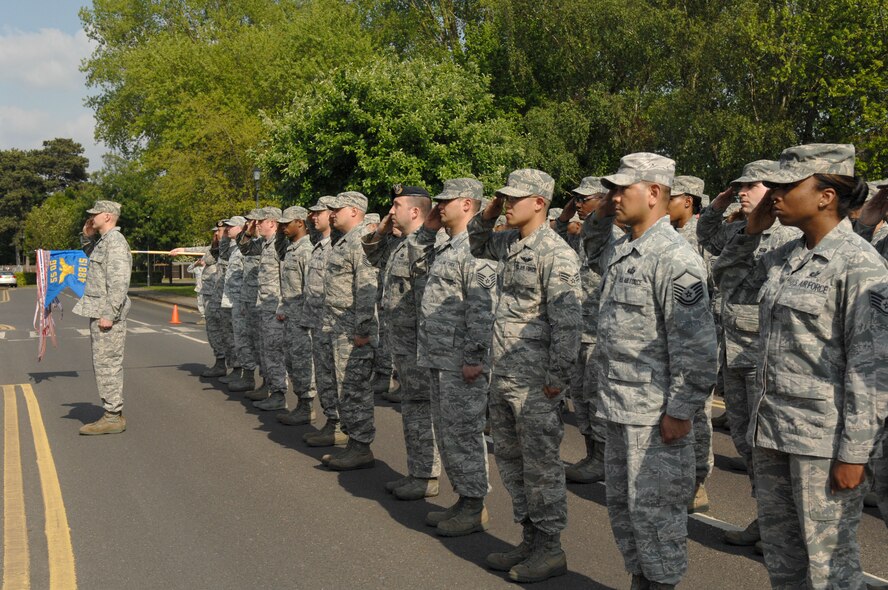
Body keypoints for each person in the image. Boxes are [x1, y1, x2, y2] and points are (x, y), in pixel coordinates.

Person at [714, 144, 887, 589]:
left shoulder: (860, 265)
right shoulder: (785, 256)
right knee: (783, 557)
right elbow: (730, 283)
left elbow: (872, 371)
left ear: (827, 195)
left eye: (788, 186)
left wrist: (854, 454)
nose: (775, 195)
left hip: (822, 443)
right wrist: (751, 230)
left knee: (831, 568)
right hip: (771, 432)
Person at [583, 153, 716, 589]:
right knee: (626, 516)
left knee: (657, 523)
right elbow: (591, 243)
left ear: (655, 193)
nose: (613, 197)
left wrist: (681, 411)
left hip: (655, 418)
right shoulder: (624, 249)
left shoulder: (675, 258)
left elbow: (697, 348)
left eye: (623, 189)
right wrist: (606, 208)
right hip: (620, 409)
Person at [468, 168, 581, 583]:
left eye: (515, 198)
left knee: (541, 466)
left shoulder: (556, 252)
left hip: (535, 382)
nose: (508, 204)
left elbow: (568, 321)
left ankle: (551, 547)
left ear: (540, 203)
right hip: (504, 374)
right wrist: (491, 208)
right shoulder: (509, 244)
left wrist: (557, 377)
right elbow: (476, 241)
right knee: (513, 462)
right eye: (505, 198)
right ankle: (530, 539)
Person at [697, 160, 801, 547]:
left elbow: (724, 270)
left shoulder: (787, 236)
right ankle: (768, 518)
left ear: (773, 190)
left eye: (749, 186)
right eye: (737, 186)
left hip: (764, 351)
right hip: (734, 349)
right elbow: (707, 237)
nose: (741, 191)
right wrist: (717, 203)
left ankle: (784, 526)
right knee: (744, 440)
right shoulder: (739, 228)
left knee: (771, 445)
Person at [408, 178, 497, 534]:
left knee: (464, 432)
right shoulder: (446, 246)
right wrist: (429, 229)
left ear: (468, 205)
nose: (440, 206)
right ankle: (463, 498)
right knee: (446, 432)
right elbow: (414, 256)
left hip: (462, 360)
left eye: (448, 201)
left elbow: (481, 308)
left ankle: (474, 505)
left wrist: (475, 356)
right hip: (439, 356)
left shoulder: (478, 251)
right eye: (438, 200)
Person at [363, 185, 441, 499]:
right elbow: (370, 252)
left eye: (396, 205)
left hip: (419, 347)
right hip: (402, 346)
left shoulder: (427, 247)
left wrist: (426, 348)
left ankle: (426, 477)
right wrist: (383, 227)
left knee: (420, 412)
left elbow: (429, 303)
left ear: (414, 211)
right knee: (411, 410)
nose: (390, 211)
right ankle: (416, 472)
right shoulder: (400, 244)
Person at [555, 177, 622, 485]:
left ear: (603, 201)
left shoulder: (614, 237)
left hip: (599, 332)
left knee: (596, 397)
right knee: (580, 396)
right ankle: (590, 451)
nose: (579, 203)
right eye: (576, 199)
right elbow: (556, 230)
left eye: (585, 199)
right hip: (579, 328)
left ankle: (602, 457)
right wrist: (570, 208)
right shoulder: (579, 236)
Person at [318, 191, 379, 471]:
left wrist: (363, 329)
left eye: (337, 209)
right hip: (338, 326)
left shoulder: (361, 242)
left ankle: (361, 446)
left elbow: (366, 289)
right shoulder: (344, 241)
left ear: (354, 211)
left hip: (353, 329)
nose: (332, 213)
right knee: (344, 387)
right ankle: (353, 442)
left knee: (355, 389)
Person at [667, 174, 716, 514]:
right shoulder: (667, 234)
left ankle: (698, 482)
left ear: (688, 200)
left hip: (697, 330)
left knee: (698, 415)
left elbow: (710, 284)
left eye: (673, 197)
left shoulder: (702, 236)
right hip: (672, 336)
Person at [74, 200, 133, 435]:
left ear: (108, 216)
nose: (91, 217)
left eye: (95, 214)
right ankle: (111, 413)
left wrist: (109, 313)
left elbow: (119, 282)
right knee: (103, 364)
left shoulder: (116, 242)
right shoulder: (104, 241)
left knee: (108, 364)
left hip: (107, 315)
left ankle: (112, 416)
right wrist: (86, 235)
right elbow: (90, 254)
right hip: (99, 311)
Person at [302, 197, 348, 446]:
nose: (313, 217)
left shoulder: (339, 245)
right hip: (318, 321)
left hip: (335, 323)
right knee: (323, 376)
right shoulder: (319, 244)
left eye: (318, 212)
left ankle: (341, 425)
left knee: (337, 377)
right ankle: (331, 421)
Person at [237, 207, 289, 410]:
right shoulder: (266, 244)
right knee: (265, 350)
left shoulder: (280, 243)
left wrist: (282, 306)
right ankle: (268, 385)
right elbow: (245, 248)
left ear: (273, 223)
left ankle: (278, 394)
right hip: (264, 305)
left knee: (274, 352)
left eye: (261, 221)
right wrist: (249, 231)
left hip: (276, 307)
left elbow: (288, 278)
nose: (257, 224)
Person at [276, 206, 317, 424]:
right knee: (292, 362)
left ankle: (307, 406)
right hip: (291, 317)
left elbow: (310, 288)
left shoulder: (306, 250)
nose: (283, 227)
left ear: (300, 223)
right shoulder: (291, 249)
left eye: (286, 223)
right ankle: (301, 403)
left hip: (302, 320)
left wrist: (306, 320)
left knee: (302, 363)